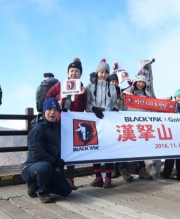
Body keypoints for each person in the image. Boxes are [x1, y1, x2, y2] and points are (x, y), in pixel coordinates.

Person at [45, 58, 87, 190]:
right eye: (71, 71)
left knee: (71, 150)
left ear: (80, 74)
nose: (73, 73)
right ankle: (60, 177)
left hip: (73, 123)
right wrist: (57, 103)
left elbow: (82, 107)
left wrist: (81, 95)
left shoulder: (82, 88)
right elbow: (48, 98)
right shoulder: (60, 85)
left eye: (76, 71)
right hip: (59, 120)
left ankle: (70, 179)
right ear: (68, 72)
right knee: (58, 149)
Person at [21, 98, 72, 203]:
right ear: (44, 111)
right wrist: (54, 160)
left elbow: (71, 127)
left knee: (66, 190)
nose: (52, 112)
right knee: (45, 166)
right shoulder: (37, 129)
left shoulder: (58, 127)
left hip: (48, 169)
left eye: (55, 110)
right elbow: (37, 153)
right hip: (31, 168)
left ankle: (35, 186)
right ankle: (42, 192)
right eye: (49, 109)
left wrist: (68, 116)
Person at [85, 58, 119, 188]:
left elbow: (114, 103)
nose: (103, 74)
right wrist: (93, 108)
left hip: (108, 120)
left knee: (108, 149)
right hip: (94, 120)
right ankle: (98, 176)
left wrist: (115, 109)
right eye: (101, 72)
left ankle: (108, 178)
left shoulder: (112, 87)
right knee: (96, 149)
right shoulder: (90, 86)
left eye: (106, 72)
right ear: (97, 72)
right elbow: (87, 103)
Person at [121, 70, 154, 181]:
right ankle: (124, 170)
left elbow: (154, 104)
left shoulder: (146, 95)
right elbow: (123, 97)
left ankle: (142, 171)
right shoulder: (127, 92)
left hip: (141, 125)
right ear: (135, 82)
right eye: (139, 81)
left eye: (143, 82)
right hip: (128, 124)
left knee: (140, 147)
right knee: (125, 147)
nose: (141, 84)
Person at [162, 88, 180, 181]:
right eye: (178, 96)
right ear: (175, 98)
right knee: (169, 160)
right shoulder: (170, 108)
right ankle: (165, 177)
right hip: (171, 137)